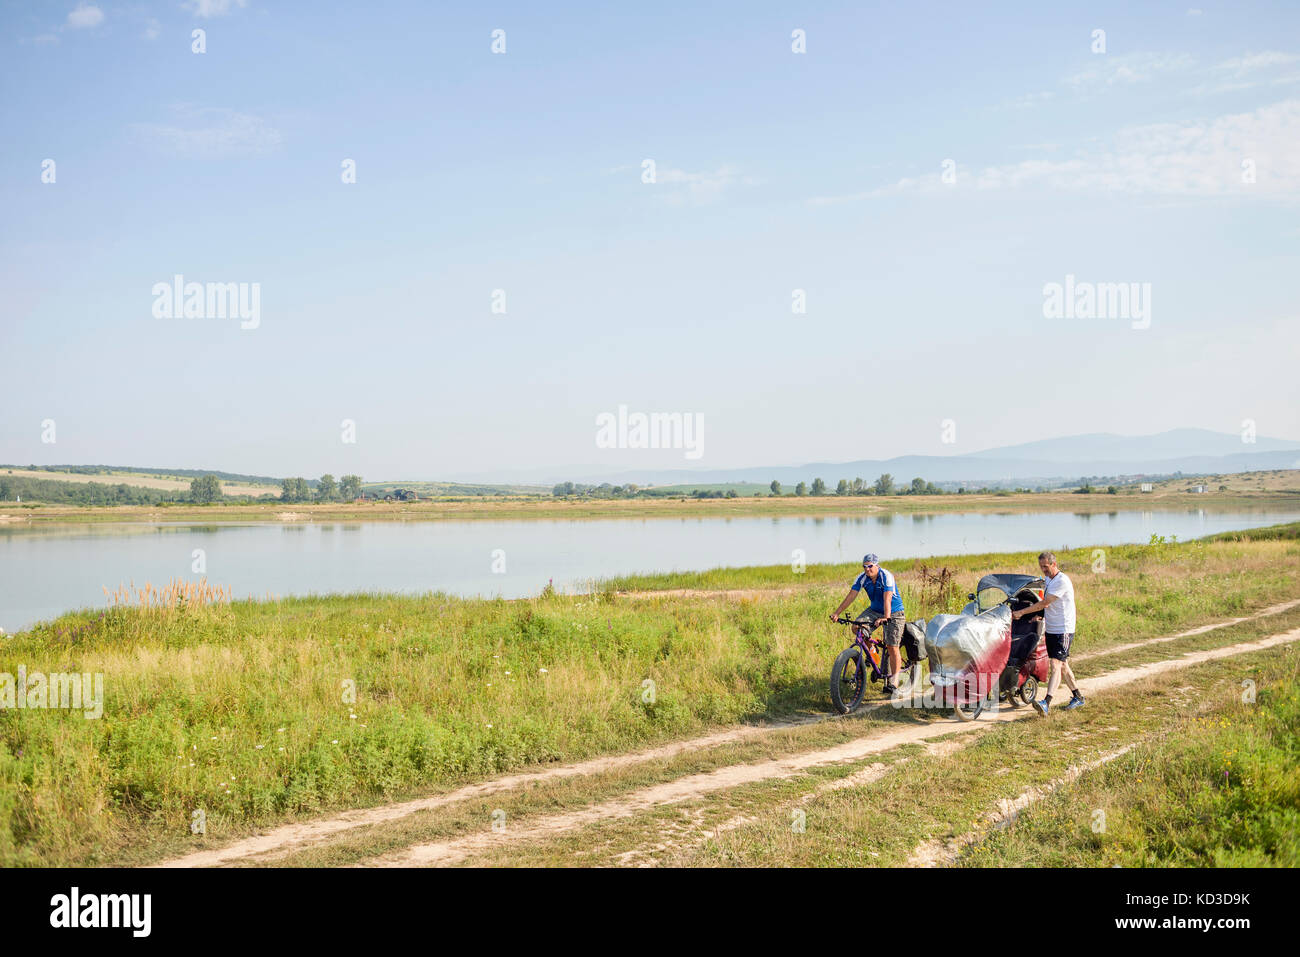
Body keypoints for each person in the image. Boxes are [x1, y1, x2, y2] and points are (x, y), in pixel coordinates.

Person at [1012, 551, 1083, 715]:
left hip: (1063, 629)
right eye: (1041, 566)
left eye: (1046, 566)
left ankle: (1046, 702)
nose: (1043, 569)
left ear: (1054, 564)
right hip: (1052, 627)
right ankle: (1078, 697)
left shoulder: (1061, 581)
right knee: (1063, 665)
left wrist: (1022, 613)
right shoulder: (1048, 579)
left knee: (1056, 664)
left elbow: (1045, 602)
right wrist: (1040, 615)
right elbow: (1049, 606)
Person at [829, 553, 907, 694]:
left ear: (877, 565)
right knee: (856, 627)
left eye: (870, 566)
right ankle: (872, 651)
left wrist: (886, 617)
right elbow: (851, 595)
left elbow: (887, 599)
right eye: (864, 566)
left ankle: (894, 682)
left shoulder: (886, 576)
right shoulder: (862, 578)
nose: (867, 569)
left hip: (894, 612)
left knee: (892, 646)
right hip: (875, 610)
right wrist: (837, 613)